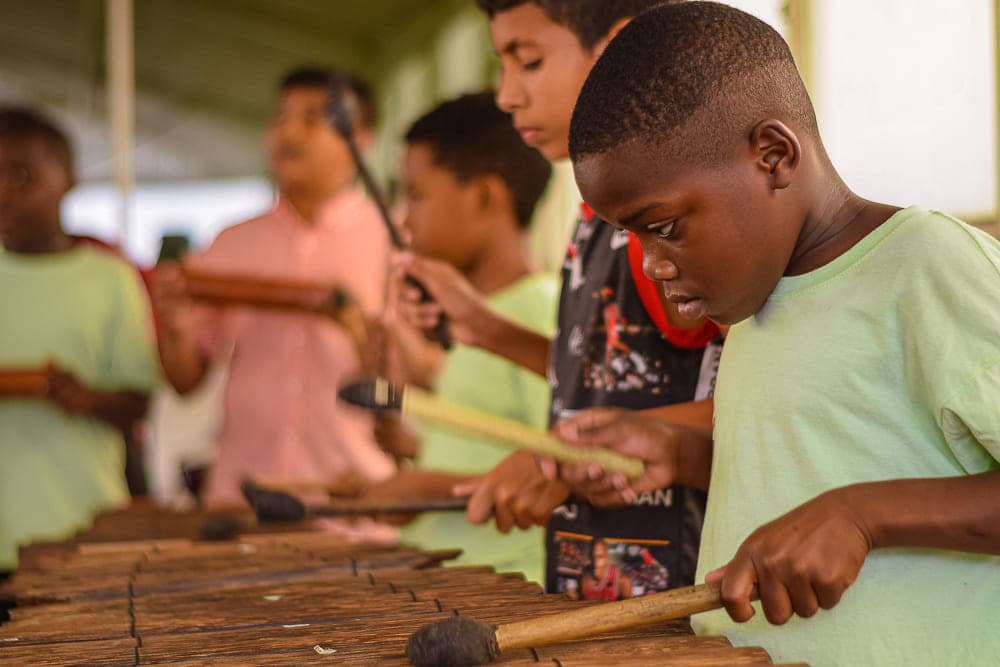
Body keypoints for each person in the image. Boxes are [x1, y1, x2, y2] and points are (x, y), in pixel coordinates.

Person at [554, 3, 1000, 665]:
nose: (649, 262)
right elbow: (812, 470)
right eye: (632, 234)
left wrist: (863, 514)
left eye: (665, 225)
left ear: (773, 155)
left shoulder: (926, 264)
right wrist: (678, 453)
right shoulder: (757, 306)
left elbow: (848, 500)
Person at [399, 0, 721, 599]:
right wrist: (486, 330)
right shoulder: (597, 214)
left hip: (677, 600)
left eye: (529, 62)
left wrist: (559, 454)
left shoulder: (664, 219)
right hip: (592, 589)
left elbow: (757, 405)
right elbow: (609, 380)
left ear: (618, 48)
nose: (506, 96)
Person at [154, 67, 395, 508]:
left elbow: (414, 389)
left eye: (313, 118)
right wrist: (176, 327)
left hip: (356, 498)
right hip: (243, 495)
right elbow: (185, 381)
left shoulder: (393, 242)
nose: (288, 131)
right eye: (280, 117)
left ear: (361, 141)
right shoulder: (230, 243)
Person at [355, 92, 556, 584]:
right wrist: (406, 454)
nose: (403, 219)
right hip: (453, 574)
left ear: (486, 196)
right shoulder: (477, 319)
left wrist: (423, 489)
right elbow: (480, 446)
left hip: (512, 583)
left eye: (418, 195)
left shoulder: (537, 311)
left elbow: (564, 472)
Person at [0, 106, 159, 571]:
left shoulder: (111, 279)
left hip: (83, 529)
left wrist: (85, 397)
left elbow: (139, 402)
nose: (4, 193)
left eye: (22, 176)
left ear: (68, 179)